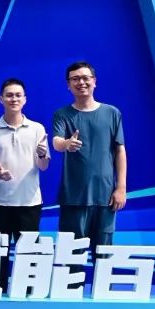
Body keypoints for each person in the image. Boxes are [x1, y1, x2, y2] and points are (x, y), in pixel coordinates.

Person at [0, 78, 50, 293]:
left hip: (29, 202)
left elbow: (44, 166)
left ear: (25, 99)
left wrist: (42, 155)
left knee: (28, 254)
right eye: (9, 95)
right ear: (1, 99)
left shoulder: (37, 129)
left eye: (18, 95)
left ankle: (26, 294)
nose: (14, 99)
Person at [52, 61, 127, 263]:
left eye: (85, 78)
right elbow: (57, 142)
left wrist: (121, 188)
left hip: (105, 197)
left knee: (103, 257)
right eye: (75, 79)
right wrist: (67, 143)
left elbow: (119, 150)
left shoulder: (112, 113)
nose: (81, 83)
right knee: (71, 257)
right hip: (73, 197)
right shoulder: (62, 114)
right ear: (68, 85)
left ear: (94, 81)